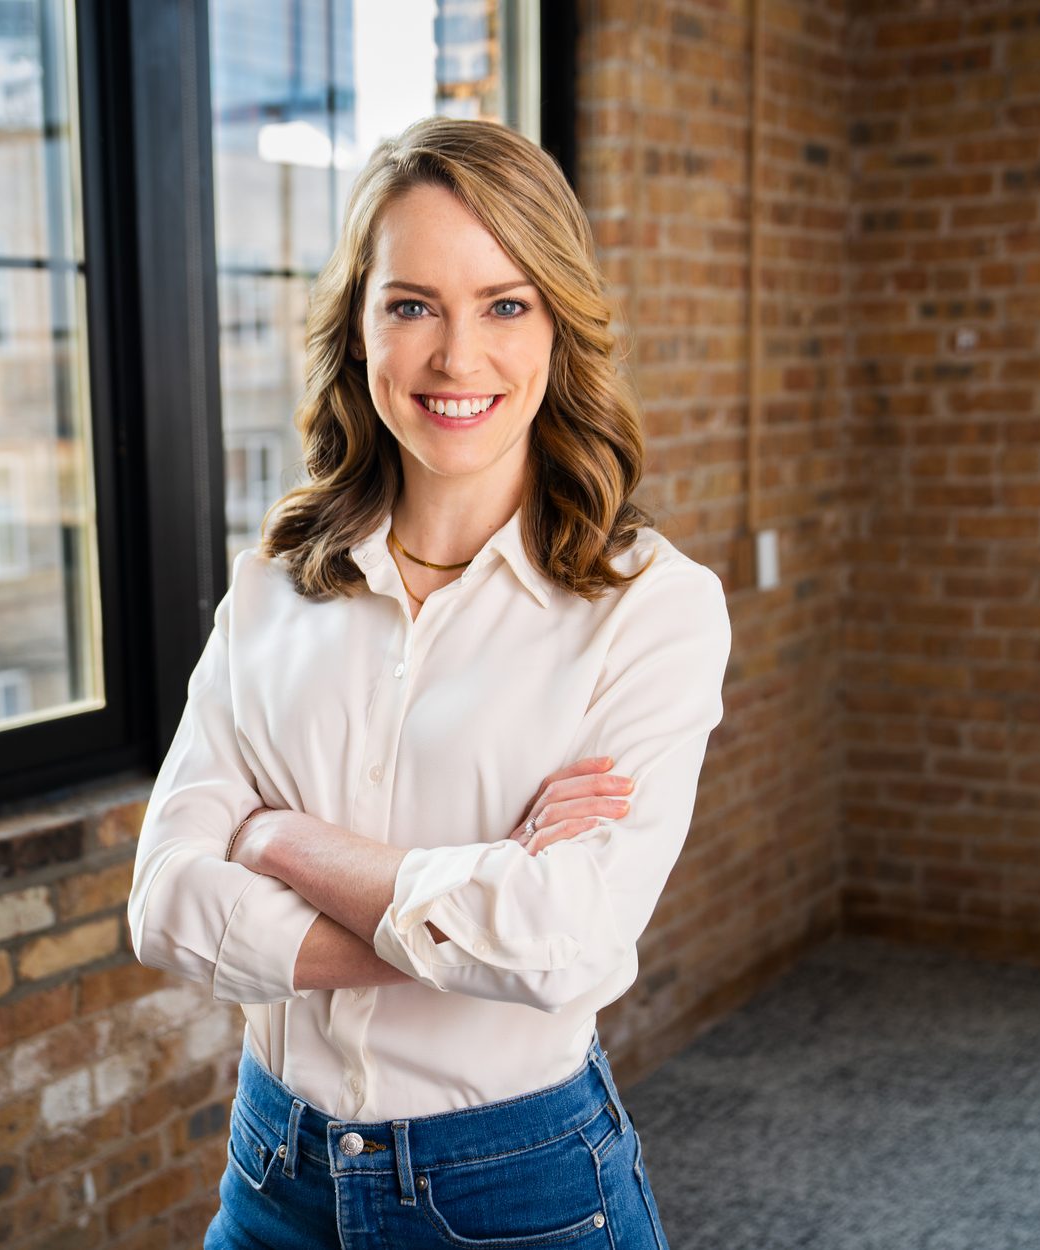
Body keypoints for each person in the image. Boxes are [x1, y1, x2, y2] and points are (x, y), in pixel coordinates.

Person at [126, 114, 731, 1250]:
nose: (457, 357)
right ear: (358, 326)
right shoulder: (271, 587)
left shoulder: (650, 606)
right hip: (272, 1176)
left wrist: (279, 842)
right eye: (412, 305)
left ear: (558, 324)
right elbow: (162, 903)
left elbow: (570, 947)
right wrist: (470, 921)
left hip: (515, 1191)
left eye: (505, 303)